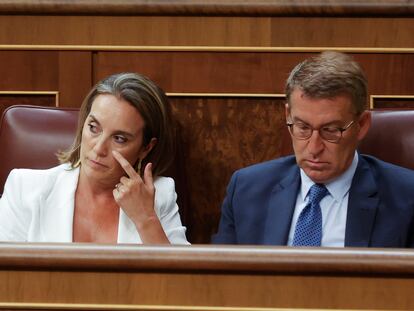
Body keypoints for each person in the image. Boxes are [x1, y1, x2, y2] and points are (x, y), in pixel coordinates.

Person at [213, 51, 414, 247]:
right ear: (288, 116)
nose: (314, 148)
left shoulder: (406, 197)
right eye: (303, 127)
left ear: (361, 125)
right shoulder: (247, 190)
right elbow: (223, 278)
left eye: (330, 130)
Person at [0, 72, 189, 244]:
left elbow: (181, 281)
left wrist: (146, 220)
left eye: (119, 138)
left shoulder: (160, 195)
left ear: (146, 148)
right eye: (93, 128)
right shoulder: (24, 189)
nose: (98, 149)